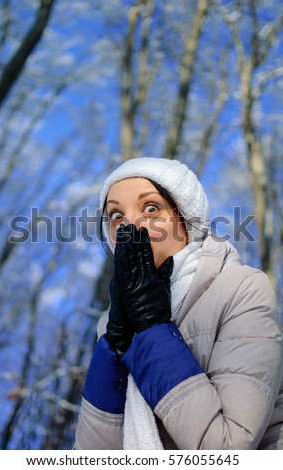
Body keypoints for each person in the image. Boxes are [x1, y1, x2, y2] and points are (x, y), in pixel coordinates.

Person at [74, 157, 283, 450]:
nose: (130, 226)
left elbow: (225, 450)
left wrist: (152, 328)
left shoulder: (241, 288)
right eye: (117, 216)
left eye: (151, 208)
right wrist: (114, 350)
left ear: (185, 219)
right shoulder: (108, 326)